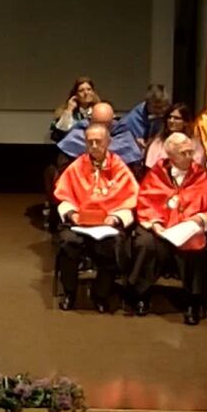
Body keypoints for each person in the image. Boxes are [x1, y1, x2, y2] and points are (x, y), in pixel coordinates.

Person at [127, 134, 207, 323]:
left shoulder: (200, 174)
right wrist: (155, 224)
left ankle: (193, 301)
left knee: (197, 247)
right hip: (160, 227)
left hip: (188, 227)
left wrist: (198, 219)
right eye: (184, 153)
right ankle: (141, 296)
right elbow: (146, 200)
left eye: (191, 152)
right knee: (146, 244)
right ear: (171, 156)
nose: (190, 156)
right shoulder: (157, 173)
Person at [52, 122, 138, 312]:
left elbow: (129, 200)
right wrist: (72, 214)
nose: (94, 146)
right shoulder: (76, 166)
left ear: (108, 142)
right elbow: (63, 196)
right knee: (68, 242)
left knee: (113, 243)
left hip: (107, 223)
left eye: (98, 142)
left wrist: (115, 217)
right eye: (89, 142)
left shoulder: (120, 168)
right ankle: (69, 293)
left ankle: (101, 295)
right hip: (79, 223)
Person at [54, 99, 147, 175]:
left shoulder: (124, 136)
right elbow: (63, 171)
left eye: (106, 125)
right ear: (91, 121)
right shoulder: (77, 136)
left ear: (112, 121)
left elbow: (133, 174)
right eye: (97, 124)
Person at [143, 102, 196, 171]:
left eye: (176, 118)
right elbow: (150, 168)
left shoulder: (194, 144)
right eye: (169, 117)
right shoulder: (158, 143)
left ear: (185, 122)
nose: (171, 121)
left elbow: (196, 167)